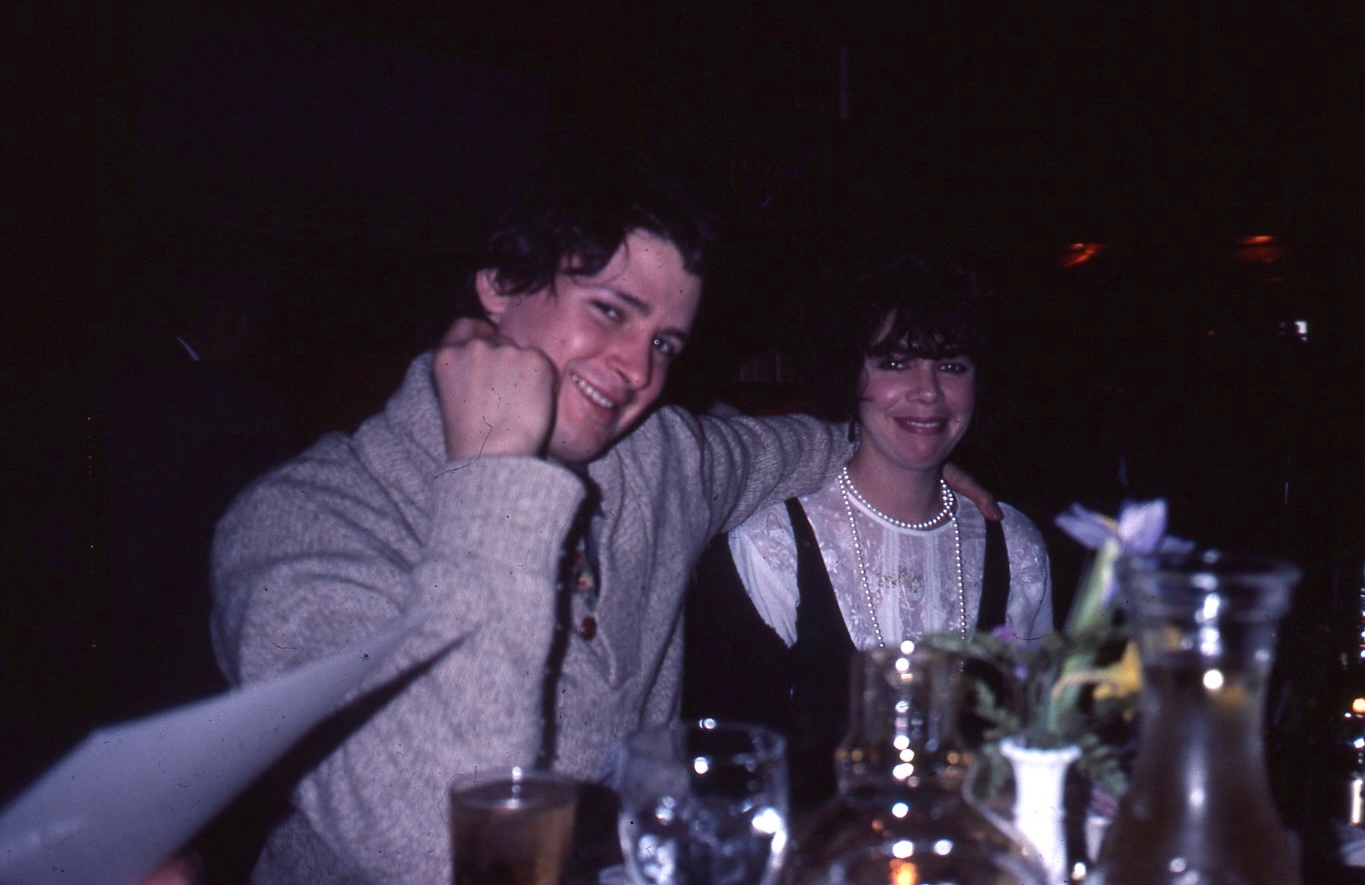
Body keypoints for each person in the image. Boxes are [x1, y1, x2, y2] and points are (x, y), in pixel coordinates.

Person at [209, 154, 996, 883]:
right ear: (500, 285)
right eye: (611, 310)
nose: (637, 370)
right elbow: (444, 844)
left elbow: (787, 448)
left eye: (665, 343)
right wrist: (496, 471)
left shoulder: (652, 459)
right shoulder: (302, 524)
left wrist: (908, 459)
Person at [684, 253, 1053, 808]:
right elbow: (731, 781)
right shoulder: (770, 543)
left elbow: (1037, 744)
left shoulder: (1015, 545)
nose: (928, 392)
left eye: (952, 366)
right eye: (895, 363)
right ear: (848, 373)